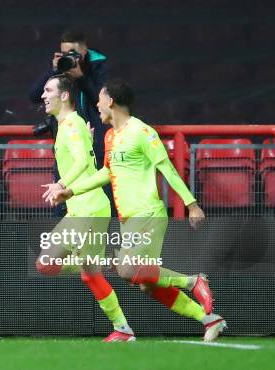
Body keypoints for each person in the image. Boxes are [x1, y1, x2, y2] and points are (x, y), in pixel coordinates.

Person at [45, 79, 227, 342]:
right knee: (147, 283)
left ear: (110, 102)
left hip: (149, 213)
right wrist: (71, 191)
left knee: (128, 270)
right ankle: (210, 319)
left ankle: (193, 281)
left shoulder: (143, 132)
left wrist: (192, 205)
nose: (96, 105)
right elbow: (106, 172)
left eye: (99, 99)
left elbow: (167, 169)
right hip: (128, 219)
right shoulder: (110, 136)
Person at [36, 74, 134, 342]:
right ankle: (109, 264)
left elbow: (80, 162)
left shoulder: (70, 125)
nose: (43, 96)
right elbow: (84, 158)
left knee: (80, 271)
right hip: (81, 209)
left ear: (64, 96)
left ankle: (123, 329)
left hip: (89, 209)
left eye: (48, 91)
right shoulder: (72, 125)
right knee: (50, 265)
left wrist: (62, 183)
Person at [29, 29, 108, 169]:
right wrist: (53, 69)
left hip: (95, 142)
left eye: (72, 53)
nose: (68, 57)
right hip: (65, 144)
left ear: (84, 51)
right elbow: (34, 95)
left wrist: (81, 77)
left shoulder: (98, 65)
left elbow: (101, 102)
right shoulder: (60, 67)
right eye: (65, 53)